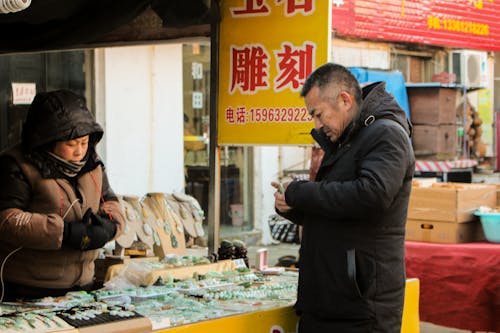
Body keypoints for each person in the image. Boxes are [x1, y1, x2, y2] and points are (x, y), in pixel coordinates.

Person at [272, 63, 415, 332]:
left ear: (344, 100)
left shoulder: (386, 134)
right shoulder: (348, 138)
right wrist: (293, 207)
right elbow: (338, 207)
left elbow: (371, 195)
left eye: (319, 114)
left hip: (362, 305)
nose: (317, 124)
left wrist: (301, 191)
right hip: (329, 299)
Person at [0, 89, 125, 301]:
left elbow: (110, 200)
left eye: (84, 143)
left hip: (82, 286)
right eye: (71, 144)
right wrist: (64, 232)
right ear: (48, 141)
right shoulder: (17, 165)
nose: (79, 152)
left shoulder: (92, 163)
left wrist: (108, 225)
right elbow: (7, 220)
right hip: (29, 289)